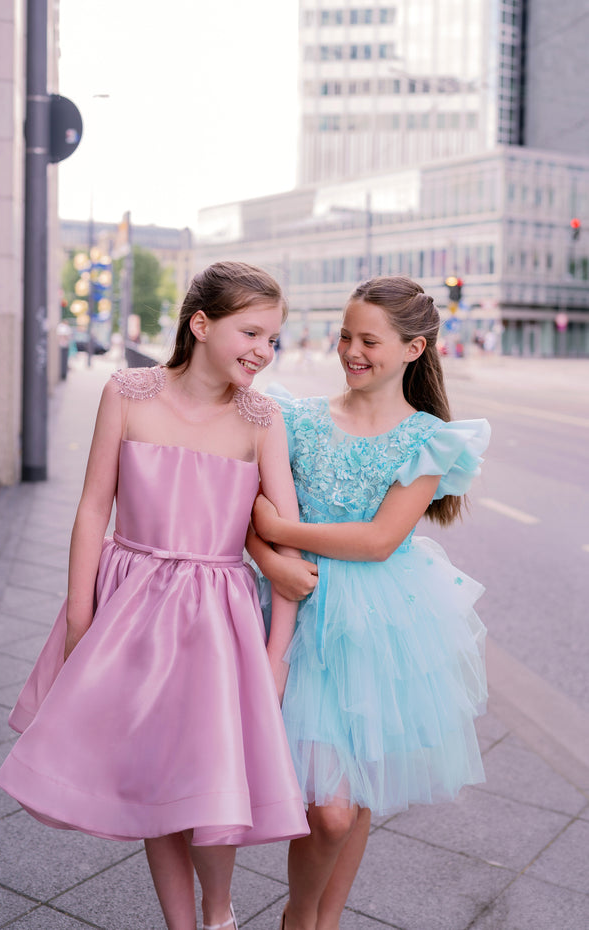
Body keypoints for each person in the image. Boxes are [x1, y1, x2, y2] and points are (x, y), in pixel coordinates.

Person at [0, 261, 310, 930]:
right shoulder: (129, 393)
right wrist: (82, 621)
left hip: (217, 624)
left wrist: (276, 653)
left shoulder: (262, 419)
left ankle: (219, 911)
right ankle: (182, 924)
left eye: (273, 339)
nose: (263, 351)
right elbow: (91, 510)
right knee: (151, 776)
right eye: (251, 332)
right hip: (130, 609)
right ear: (200, 324)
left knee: (208, 783)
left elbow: (287, 544)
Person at [249, 275, 490, 930]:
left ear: (414, 349)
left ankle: (315, 923)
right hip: (297, 611)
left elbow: (381, 539)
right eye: (346, 336)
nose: (352, 351)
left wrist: (283, 532)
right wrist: (272, 558)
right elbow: (246, 506)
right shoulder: (293, 417)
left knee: (350, 801)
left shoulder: (429, 440)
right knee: (328, 807)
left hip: (381, 619)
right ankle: (303, 916)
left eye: (369, 341)